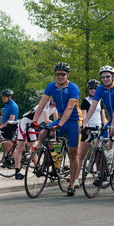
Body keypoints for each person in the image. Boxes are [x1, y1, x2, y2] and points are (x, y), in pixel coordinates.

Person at [32, 62, 82, 196]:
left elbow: (70, 108)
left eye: (63, 74)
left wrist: (60, 124)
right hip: (60, 118)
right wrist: (34, 121)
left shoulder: (73, 88)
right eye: (57, 74)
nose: (60, 76)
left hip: (73, 120)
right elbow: (42, 104)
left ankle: (72, 183)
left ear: (67, 75)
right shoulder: (51, 87)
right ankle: (44, 154)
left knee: (73, 152)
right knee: (44, 131)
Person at [82, 65, 114, 197]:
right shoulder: (101, 89)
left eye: (108, 76)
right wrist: (85, 121)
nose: (105, 79)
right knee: (97, 143)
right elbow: (93, 106)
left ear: (113, 77)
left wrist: (113, 124)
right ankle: (101, 173)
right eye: (102, 77)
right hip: (111, 121)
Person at [12, 97, 57, 180]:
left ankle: (38, 168)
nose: (55, 103)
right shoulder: (45, 104)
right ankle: (17, 172)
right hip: (25, 123)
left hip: (32, 126)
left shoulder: (55, 107)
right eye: (54, 100)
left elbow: (56, 119)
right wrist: (56, 124)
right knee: (20, 148)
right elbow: (47, 120)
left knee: (33, 147)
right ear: (50, 99)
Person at [77, 79, 107, 188]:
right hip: (88, 129)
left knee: (98, 152)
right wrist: (85, 126)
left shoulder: (101, 101)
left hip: (98, 129)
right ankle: (76, 178)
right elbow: (84, 116)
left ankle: (100, 175)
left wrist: (107, 127)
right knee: (81, 155)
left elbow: (103, 117)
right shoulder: (85, 101)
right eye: (90, 88)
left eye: (95, 88)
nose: (93, 90)